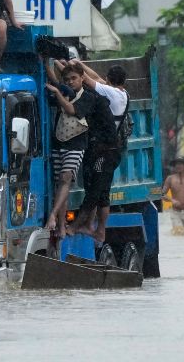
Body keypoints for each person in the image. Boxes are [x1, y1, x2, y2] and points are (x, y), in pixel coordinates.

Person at [59, 60, 127, 242]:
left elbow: (88, 79)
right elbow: (92, 77)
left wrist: (64, 65)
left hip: (106, 150)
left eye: (74, 78)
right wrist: (75, 63)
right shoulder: (119, 93)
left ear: (108, 79)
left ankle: (77, 226)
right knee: (102, 194)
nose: (71, 81)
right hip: (108, 149)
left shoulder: (106, 94)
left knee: (95, 192)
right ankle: (98, 230)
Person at [44, 63, 95, 238]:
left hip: (77, 144)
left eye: (74, 78)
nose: (71, 82)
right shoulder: (65, 91)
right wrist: (46, 62)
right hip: (59, 142)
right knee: (61, 184)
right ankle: (61, 226)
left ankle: (53, 215)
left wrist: (58, 93)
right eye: (67, 79)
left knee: (66, 178)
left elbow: (72, 109)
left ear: (82, 78)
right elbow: (55, 81)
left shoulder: (88, 97)